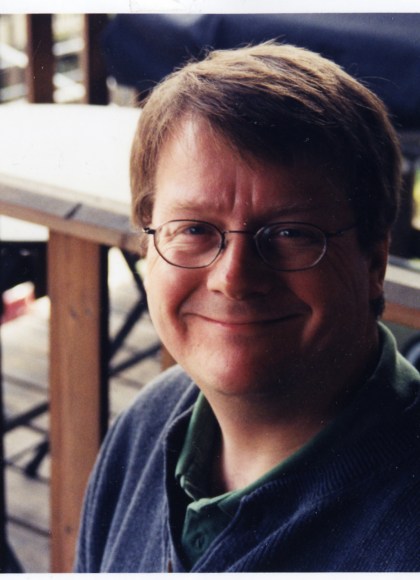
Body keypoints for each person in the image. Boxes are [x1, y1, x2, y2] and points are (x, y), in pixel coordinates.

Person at [75, 42, 420, 572]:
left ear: (373, 262)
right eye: (194, 228)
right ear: (148, 246)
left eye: (290, 233)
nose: (233, 278)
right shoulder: (148, 422)